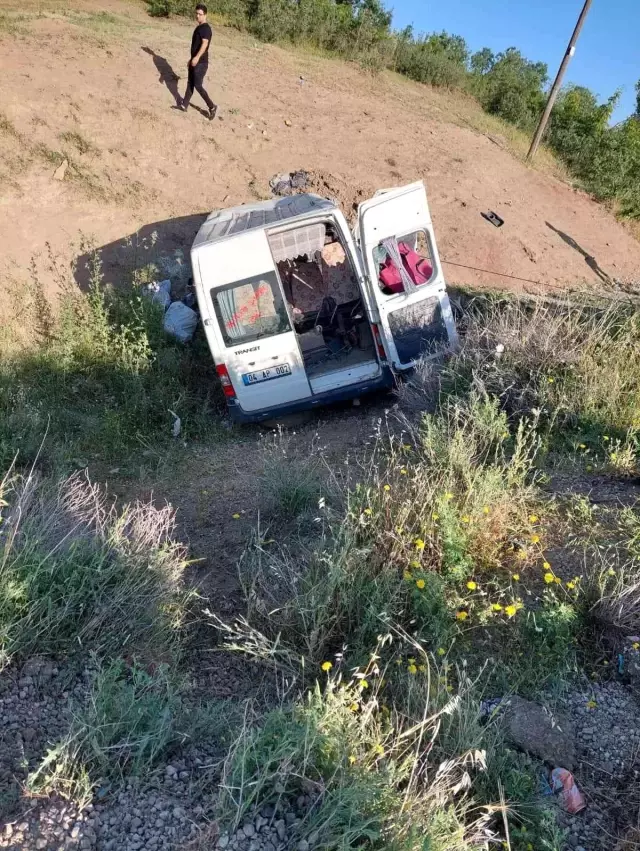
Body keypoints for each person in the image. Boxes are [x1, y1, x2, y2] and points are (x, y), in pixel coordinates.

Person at [180, 4, 217, 120]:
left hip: (201, 63)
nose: (197, 16)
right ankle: (184, 105)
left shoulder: (206, 28)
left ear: (205, 15)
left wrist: (196, 58)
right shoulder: (199, 27)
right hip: (195, 60)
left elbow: (205, 44)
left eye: (200, 14)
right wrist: (191, 59)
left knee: (197, 85)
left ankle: (212, 106)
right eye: (196, 13)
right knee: (190, 82)